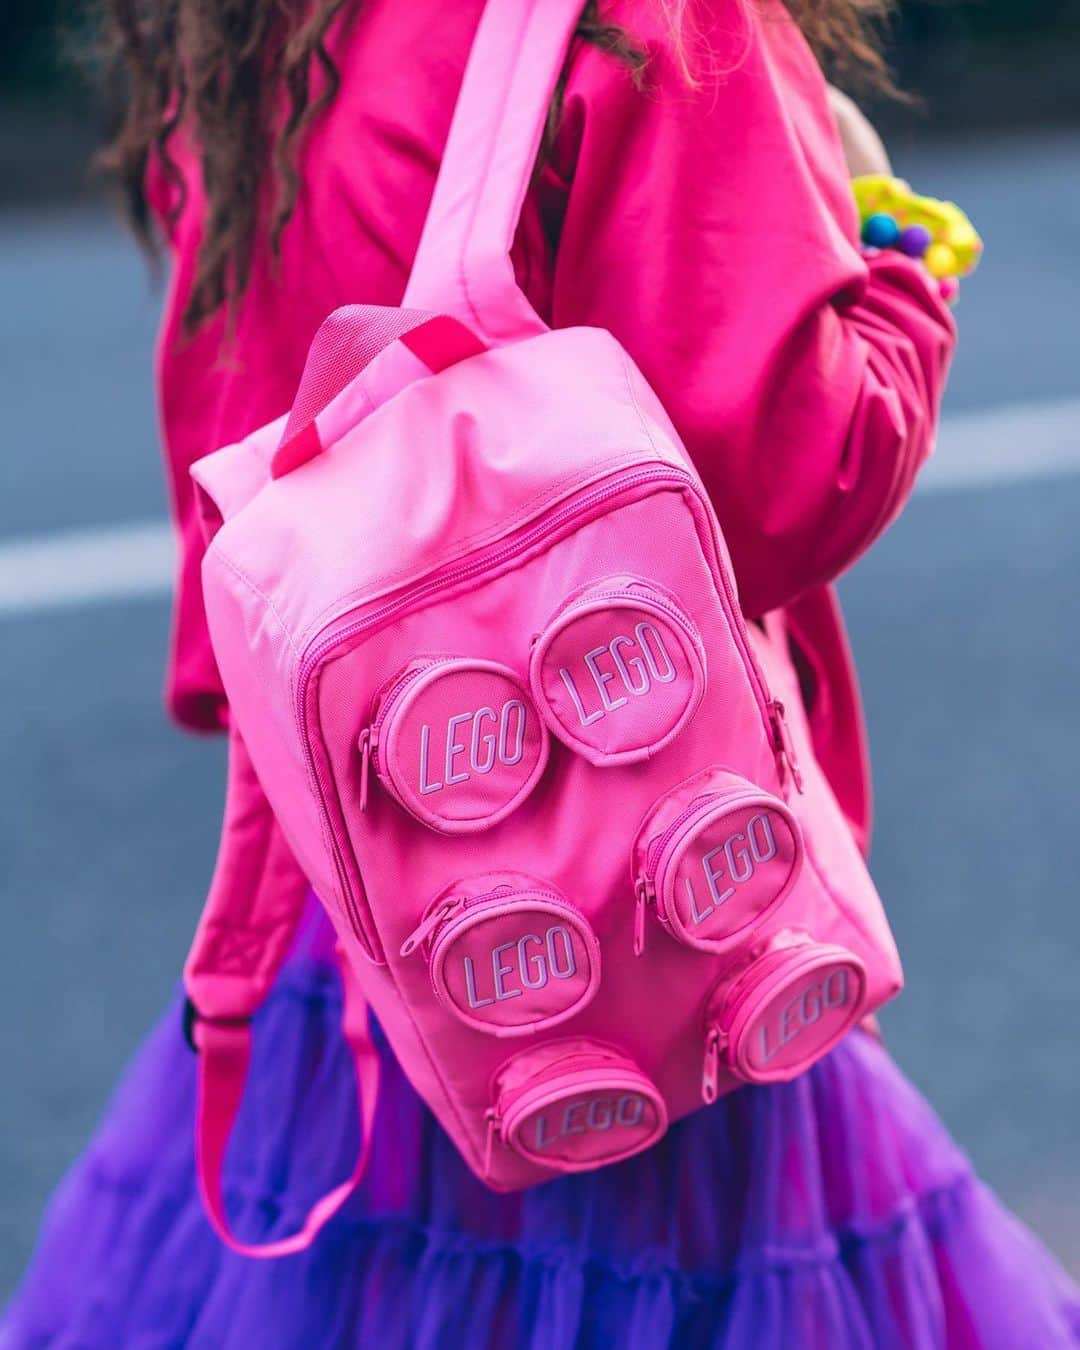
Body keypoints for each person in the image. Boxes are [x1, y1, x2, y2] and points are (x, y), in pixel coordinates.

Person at [4, 1, 1079, 1345]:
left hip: (365, 911)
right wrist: (894, 255)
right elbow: (794, 469)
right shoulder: (649, 22)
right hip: (641, 918)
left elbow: (234, 471)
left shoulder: (234, 27)